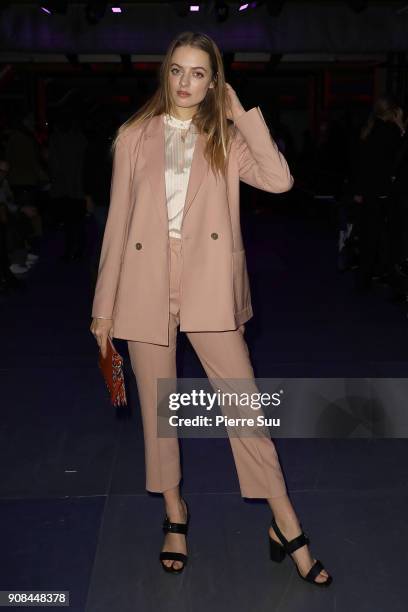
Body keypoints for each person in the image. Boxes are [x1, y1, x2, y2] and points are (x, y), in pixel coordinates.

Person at [90, 31, 332, 586]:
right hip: (145, 282)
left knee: (244, 406)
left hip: (208, 283)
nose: (185, 83)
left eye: (199, 73)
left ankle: (285, 523)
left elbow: (280, 180)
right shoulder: (134, 136)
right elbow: (117, 225)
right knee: (161, 412)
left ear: (214, 81)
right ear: (164, 73)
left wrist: (240, 113)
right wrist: (104, 308)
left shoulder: (226, 138)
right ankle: (175, 514)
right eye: (178, 70)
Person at [353, 95, 405, 289]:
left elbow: (360, 164)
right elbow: (397, 158)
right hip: (383, 191)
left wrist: (358, 190)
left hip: (368, 190)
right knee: (386, 236)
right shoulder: (390, 131)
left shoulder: (369, 130)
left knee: (368, 235)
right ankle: (387, 275)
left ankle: (364, 277)